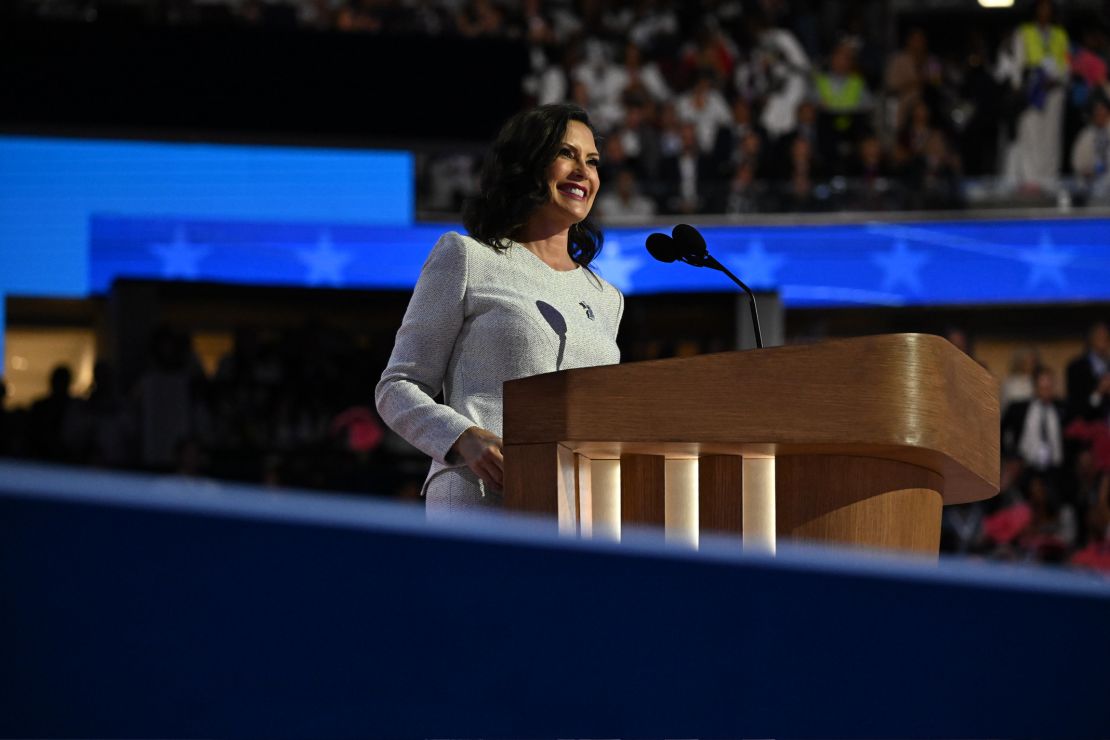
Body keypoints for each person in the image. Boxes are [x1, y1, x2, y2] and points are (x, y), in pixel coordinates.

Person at [376, 103, 624, 517]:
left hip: (576, 506)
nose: (583, 170)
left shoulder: (606, 297)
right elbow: (396, 387)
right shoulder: (468, 257)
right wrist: (464, 438)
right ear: (527, 164)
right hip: (480, 493)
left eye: (592, 161)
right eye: (566, 154)